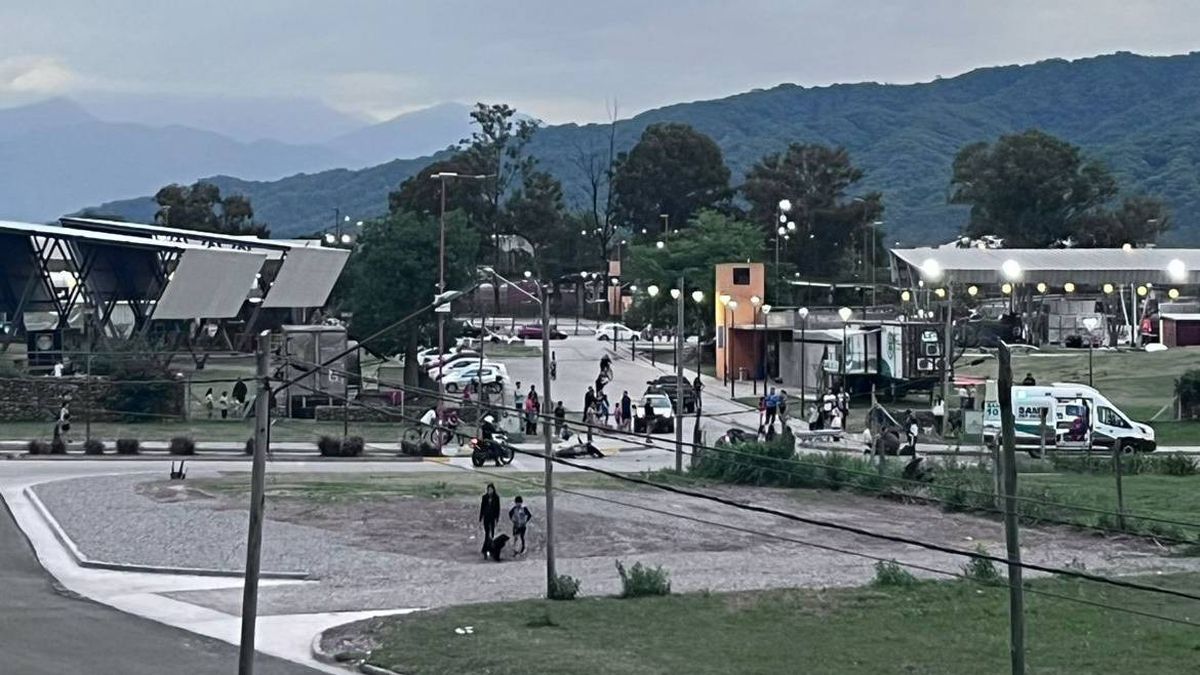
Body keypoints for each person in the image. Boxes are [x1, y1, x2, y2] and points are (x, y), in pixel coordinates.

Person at [478, 484, 501, 557]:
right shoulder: (484, 497)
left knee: (492, 534)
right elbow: (482, 507)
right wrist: (480, 517)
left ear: (493, 490)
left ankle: (487, 549)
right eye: (488, 489)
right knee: (487, 533)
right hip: (486, 517)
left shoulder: (496, 498)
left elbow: (498, 508)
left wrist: (497, 518)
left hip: (492, 517)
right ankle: (486, 549)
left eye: (491, 489)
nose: (490, 491)